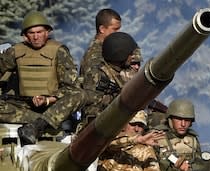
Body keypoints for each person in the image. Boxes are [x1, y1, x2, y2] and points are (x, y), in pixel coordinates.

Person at [0, 11, 87, 145]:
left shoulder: (59, 51)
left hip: (52, 105)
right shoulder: (15, 51)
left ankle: (38, 125)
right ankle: (42, 121)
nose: (36, 37)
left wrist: (47, 100)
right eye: (31, 33)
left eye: (39, 32)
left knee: (80, 95)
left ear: (48, 32)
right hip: (25, 106)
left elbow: (70, 87)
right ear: (25, 36)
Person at [81, 32, 138, 122]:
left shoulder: (122, 73)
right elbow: (91, 112)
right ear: (120, 54)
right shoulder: (98, 75)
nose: (132, 57)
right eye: (129, 54)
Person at [79, 8, 121, 77]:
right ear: (102, 29)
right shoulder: (95, 55)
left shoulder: (106, 49)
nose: (119, 33)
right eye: (115, 29)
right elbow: (91, 86)